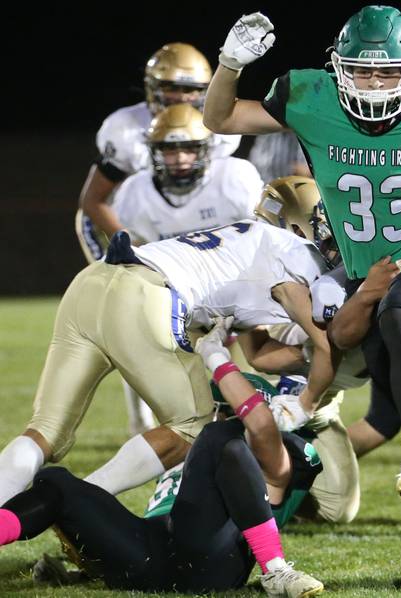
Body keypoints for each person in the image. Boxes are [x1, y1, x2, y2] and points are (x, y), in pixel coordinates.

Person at [203, 7, 401, 509]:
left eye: (388, 70)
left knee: (399, 312)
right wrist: (230, 63)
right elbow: (218, 118)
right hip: (364, 270)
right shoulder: (308, 96)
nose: (373, 83)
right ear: (337, 67)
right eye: (361, 69)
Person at [0, 216, 334, 507]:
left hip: (93, 281)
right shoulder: (299, 257)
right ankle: (72, 504)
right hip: (145, 295)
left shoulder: (252, 242)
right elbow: (324, 342)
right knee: (191, 426)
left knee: (46, 430)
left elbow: (259, 354)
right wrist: (311, 396)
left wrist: (306, 356)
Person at [0, 321, 323, 597]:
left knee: (220, 439)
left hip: (211, 567)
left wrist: (216, 357)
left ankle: (276, 570)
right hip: (148, 556)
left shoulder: (268, 455)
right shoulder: (194, 448)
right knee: (56, 482)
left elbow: (256, 430)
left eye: (220, 410)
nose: (209, 417)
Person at [75, 42, 241, 437]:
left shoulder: (215, 129)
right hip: (120, 225)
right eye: (171, 88)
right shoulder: (126, 130)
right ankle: (140, 419)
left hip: (178, 233)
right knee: (129, 320)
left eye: (190, 90)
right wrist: (136, 253)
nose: (181, 98)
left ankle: (214, 402)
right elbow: (94, 201)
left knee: (215, 318)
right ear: (151, 87)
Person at [113, 104, 262, 244]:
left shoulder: (235, 175)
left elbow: (263, 233)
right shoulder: (135, 191)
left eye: (190, 148)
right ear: (155, 151)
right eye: (170, 149)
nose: (180, 159)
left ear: (206, 148)